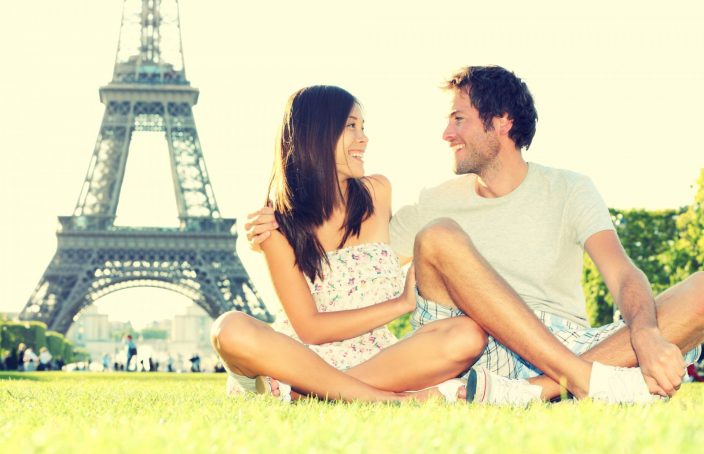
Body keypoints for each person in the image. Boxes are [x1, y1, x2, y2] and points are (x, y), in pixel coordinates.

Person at [246, 67, 704, 404]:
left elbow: (623, 275)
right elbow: (351, 254)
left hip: (565, 343)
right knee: (439, 235)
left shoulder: (570, 188)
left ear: (501, 122)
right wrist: (281, 224)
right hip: (475, 348)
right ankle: (581, 382)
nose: (446, 133)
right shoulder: (433, 201)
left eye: (459, 119)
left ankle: (536, 392)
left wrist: (643, 334)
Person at [212, 85, 485, 403]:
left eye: (363, 127)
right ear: (315, 134)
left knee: (467, 334)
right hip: (298, 360)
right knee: (227, 328)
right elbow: (311, 329)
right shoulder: (276, 225)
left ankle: (308, 394)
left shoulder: (378, 192)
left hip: (374, 362)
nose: (364, 138)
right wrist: (400, 304)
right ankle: (393, 400)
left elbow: (442, 211)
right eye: (351, 126)